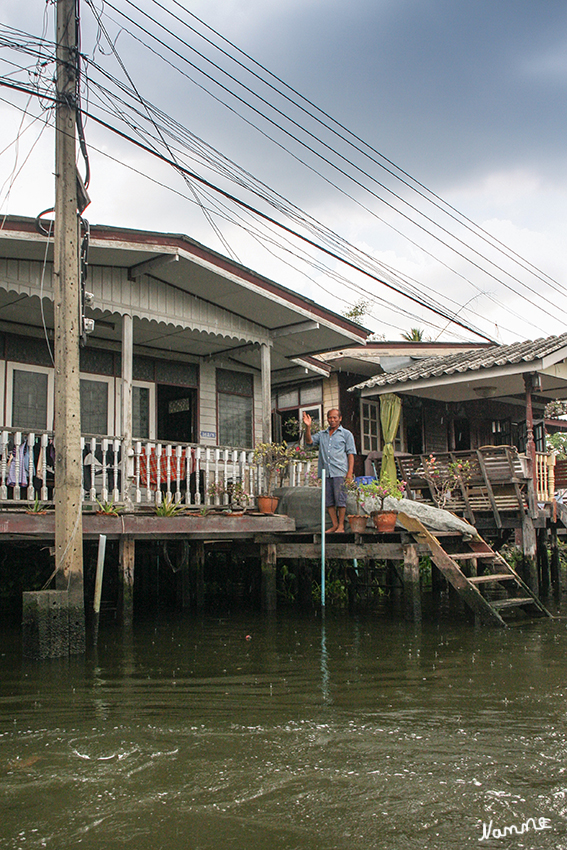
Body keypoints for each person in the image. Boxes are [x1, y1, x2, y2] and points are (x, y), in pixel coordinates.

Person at [303, 408, 356, 533]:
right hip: (326, 472)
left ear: (340, 418)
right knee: (329, 501)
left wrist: (349, 473)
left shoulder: (346, 434)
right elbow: (309, 441)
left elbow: (351, 454)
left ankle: (341, 526)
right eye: (330, 418)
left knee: (341, 500)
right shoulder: (322, 435)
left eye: (334, 418)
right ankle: (334, 524)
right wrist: (308, 427)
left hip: (340, 472)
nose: (332, 420)